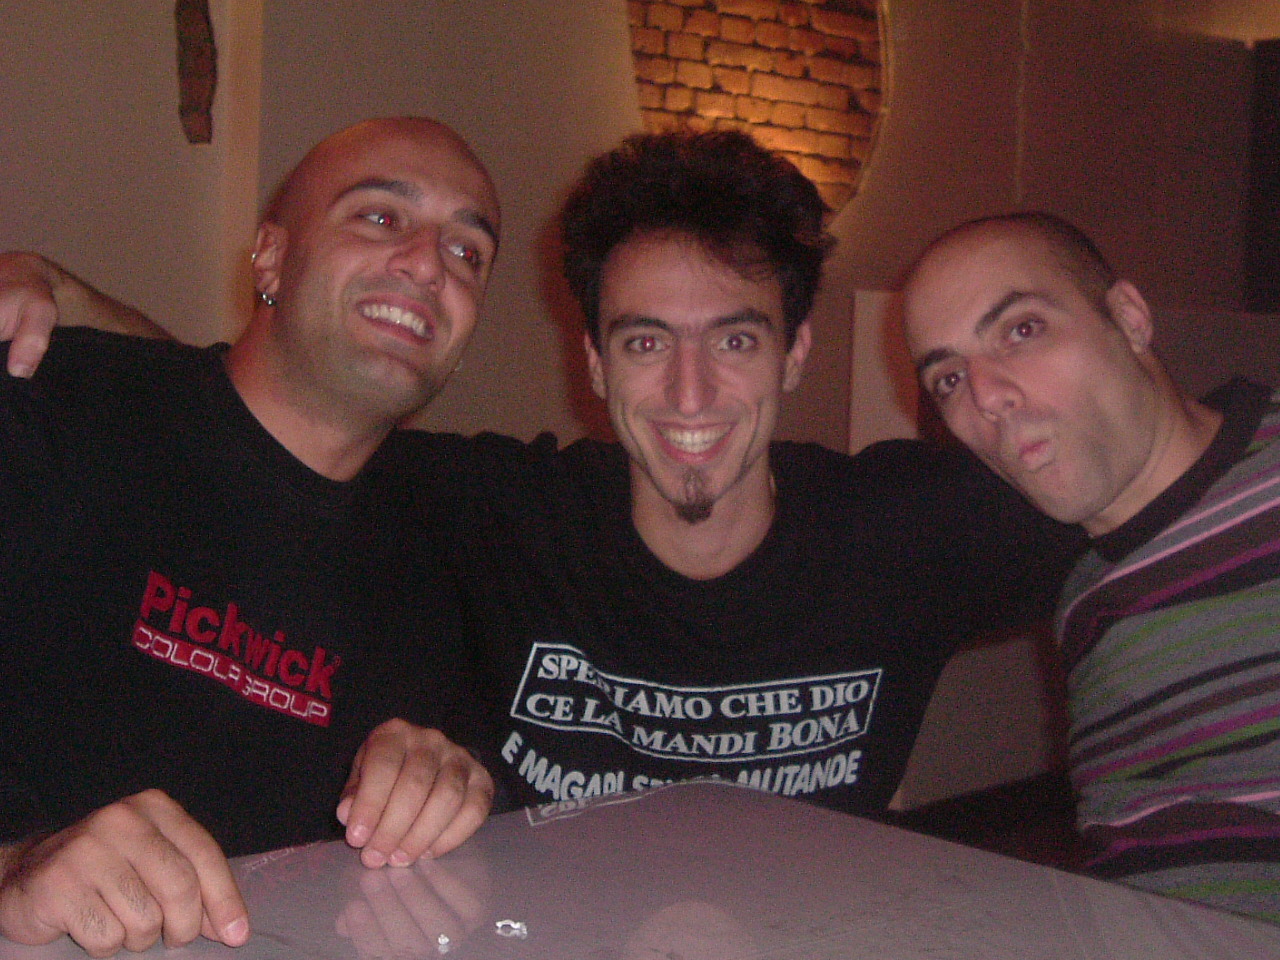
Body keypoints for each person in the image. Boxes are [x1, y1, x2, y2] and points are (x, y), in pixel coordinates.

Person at [4, 132, 1081, 825]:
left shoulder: (905, 527)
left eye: (736, 341)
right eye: (647, 342)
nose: (691, 393)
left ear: (794, 354)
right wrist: (63, 310)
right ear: (594, 364)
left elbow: (1142, 497)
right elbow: (259, 417)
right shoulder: (493, 513)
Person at [0, 116, 499, 956]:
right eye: (380, 216)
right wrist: (15, 868)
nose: (428, 264)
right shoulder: (49, 409)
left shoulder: (440, 554)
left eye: (467, 252)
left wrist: (447, 785)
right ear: (269, 258)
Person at [901, 211, 1280, 921]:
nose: (985, 396)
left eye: (1021, 330)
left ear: (1129, 319)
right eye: (948, 378)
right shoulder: (1081, 594)